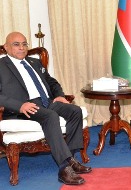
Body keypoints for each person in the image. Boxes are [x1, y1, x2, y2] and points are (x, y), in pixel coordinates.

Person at [0, 32, 92, 185]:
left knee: (75, 111)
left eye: (24, 44)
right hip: (24, 108)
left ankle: (71, 159)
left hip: (47, 102)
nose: (22, 48)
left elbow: (52, 82)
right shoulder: (1, 66)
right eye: (16, 44)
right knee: (50, 116)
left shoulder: (34, 62)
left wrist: (60, 95)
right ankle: (64, 168)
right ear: (6, 47)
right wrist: (20, 105)